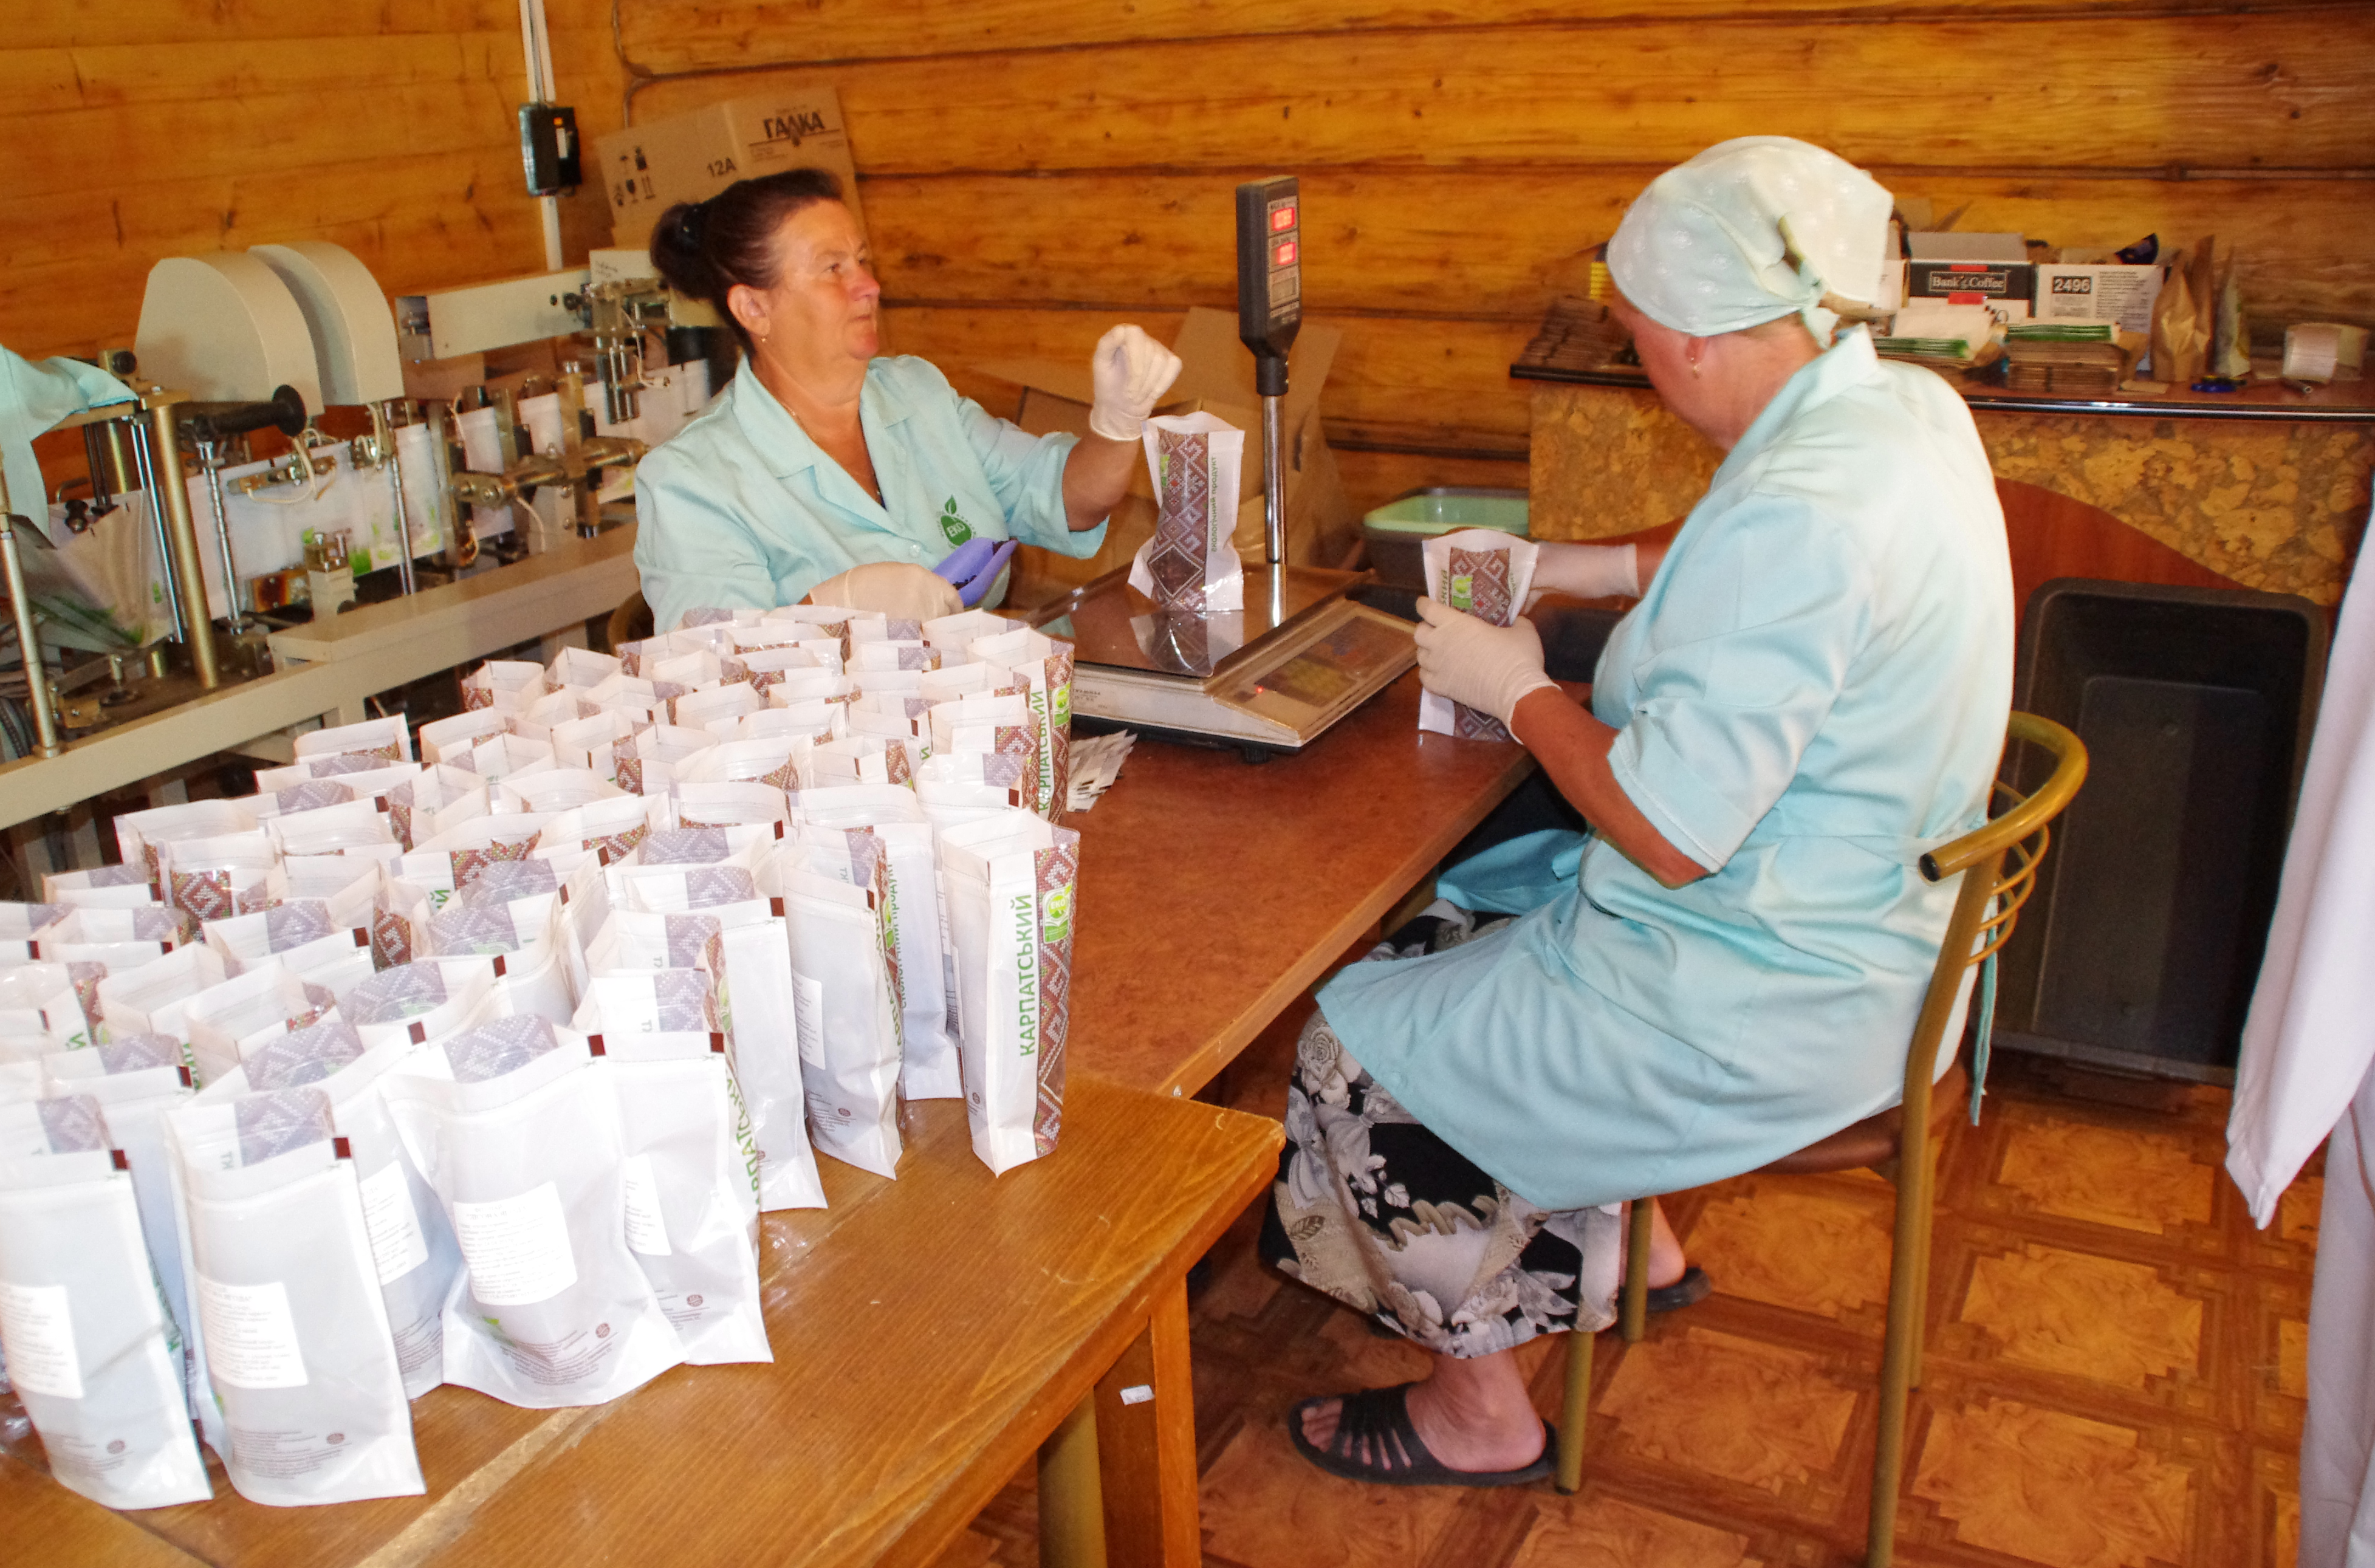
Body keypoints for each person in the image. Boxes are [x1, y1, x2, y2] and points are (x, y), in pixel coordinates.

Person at [1267, 137, 2015, 1487]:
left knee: (1344, 1047)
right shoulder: (1895, 411)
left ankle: (1475, 1408)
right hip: (1882, 934)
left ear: (1682, 335)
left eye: (1633, 336)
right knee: (1450, 918)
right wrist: (1587, 564)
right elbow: (1743, 545)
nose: (1636, 358)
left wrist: (1517, 688)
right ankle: (1631, 1247)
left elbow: (1669, 830)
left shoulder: (1803, 504)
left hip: (1764, 994)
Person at [630, 168, 1179, 626]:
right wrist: (823, 614)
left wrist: (1117, 422)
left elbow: (1069, 500)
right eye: (832, 268)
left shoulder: (917, 393)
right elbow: (712, 683)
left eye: (862, 260)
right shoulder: (691, 481)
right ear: (754, 309)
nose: (869, 285)